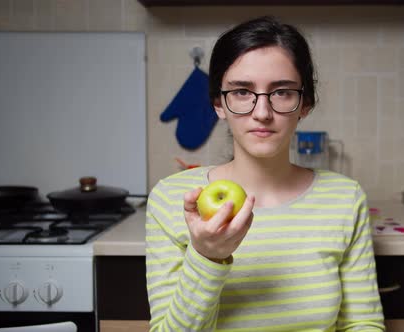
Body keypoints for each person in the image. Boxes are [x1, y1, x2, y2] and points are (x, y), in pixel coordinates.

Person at [146, 16, 385, 332]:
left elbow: (363, 324)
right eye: (242, 92)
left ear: (305, 104)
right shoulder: (169, 199)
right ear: (219, 104)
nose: (262, 112)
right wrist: (207, 257)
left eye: (282, 92)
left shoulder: (344, 198)